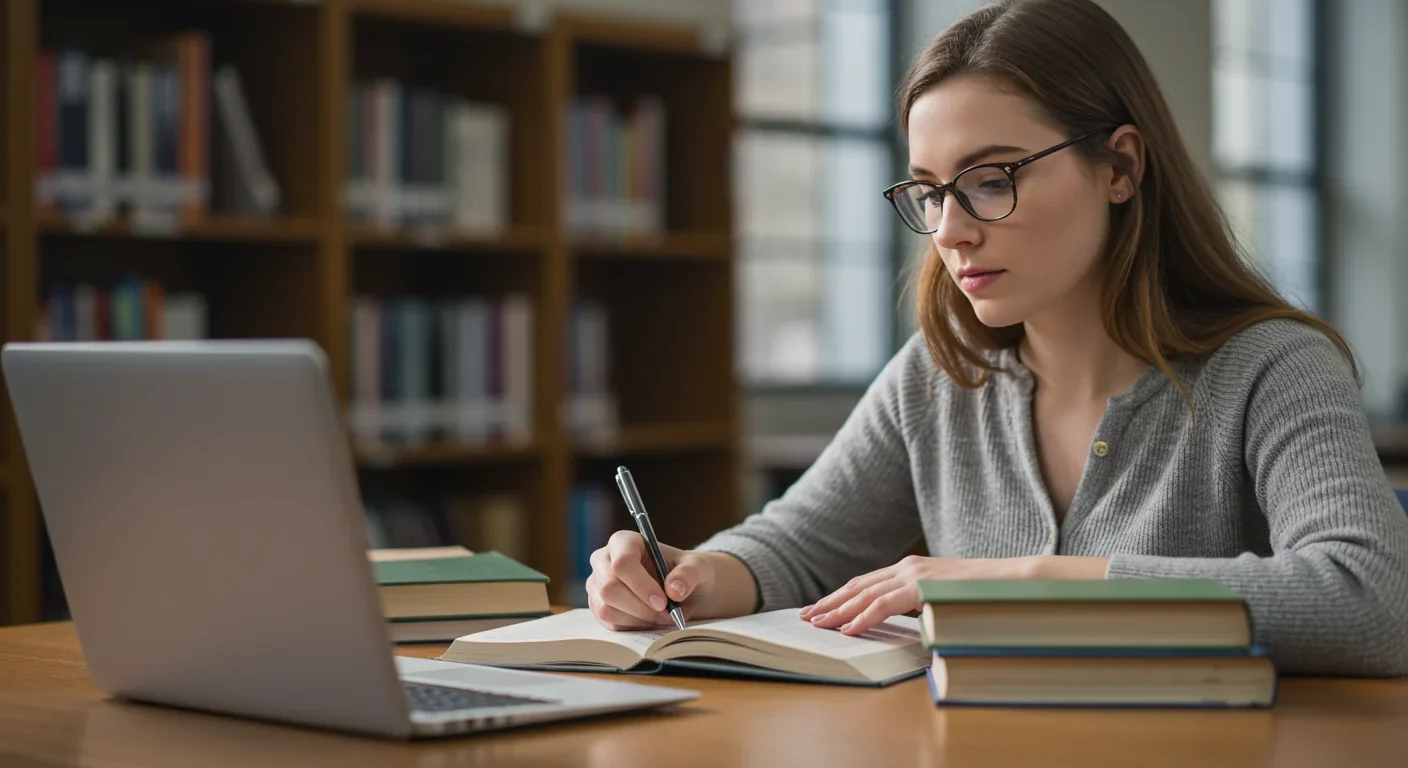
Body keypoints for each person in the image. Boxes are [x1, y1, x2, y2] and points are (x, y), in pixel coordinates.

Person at [585, 0, 1408, 676]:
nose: (950, 232)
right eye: (931, 192)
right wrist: (686, 576)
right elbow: (798, 546)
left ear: (1121, 168)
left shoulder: (1273, 368)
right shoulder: (942, 375)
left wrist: (1023, 581)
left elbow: (1374, 602)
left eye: (990, 180)